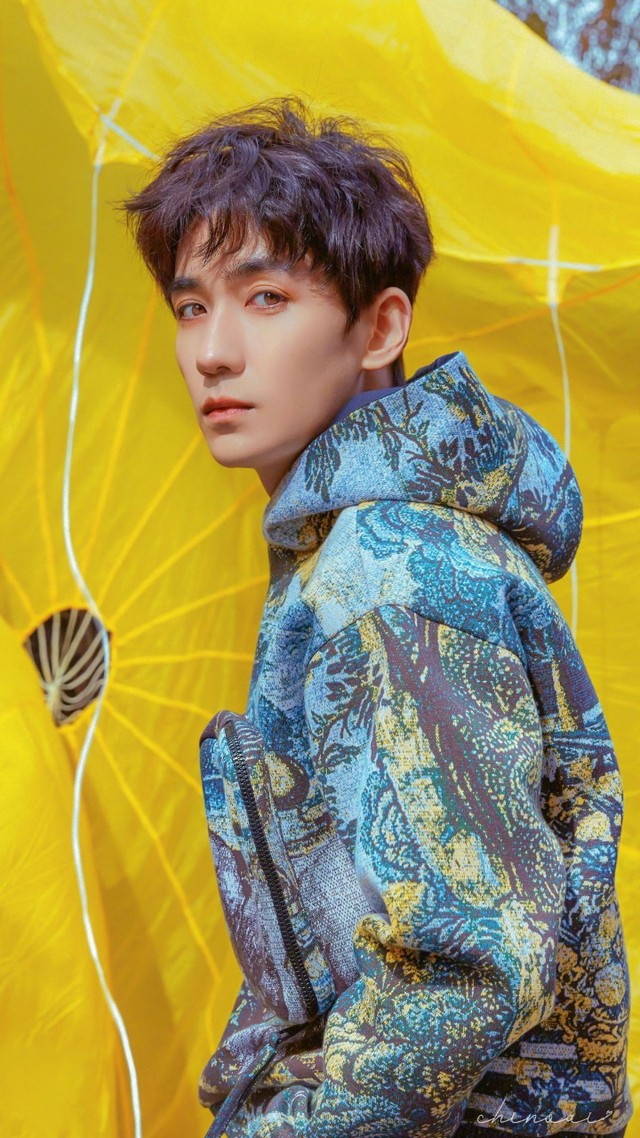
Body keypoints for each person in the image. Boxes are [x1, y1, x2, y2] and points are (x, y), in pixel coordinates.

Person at [120, 96, 632, 1138]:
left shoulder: (389, 570)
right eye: (190, 307)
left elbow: (465, 967)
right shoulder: (357, 551)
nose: (213, 351)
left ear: (381, 328)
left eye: (266, 297)